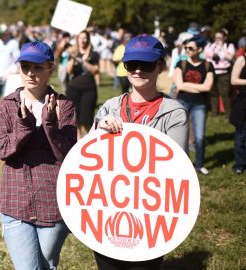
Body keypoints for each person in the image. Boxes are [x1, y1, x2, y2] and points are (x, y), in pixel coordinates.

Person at [94, 35, 188, 269]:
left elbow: (175, 166)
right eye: (131, 64)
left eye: (145, 65)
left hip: (149, 219)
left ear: (160, 67)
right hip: (107, 215)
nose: (137, 70)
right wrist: (99, 128)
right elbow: (88, 162)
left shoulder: (174, 113)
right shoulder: (109, 107)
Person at [0, 40, 76, 270]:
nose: (30, 73)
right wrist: (25, 126)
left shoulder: (64, 106)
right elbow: (2, 150)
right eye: (25, 66)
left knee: (47, 265)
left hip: (53, 201)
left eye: (38, 67)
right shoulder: (7, 105)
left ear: (50, 68)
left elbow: (68, 154)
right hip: (14, 202)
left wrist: (50, 123)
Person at [174, 35, 214, 175]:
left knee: (200, 137)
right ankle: (182, 165)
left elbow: (208, 87)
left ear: (200, 49)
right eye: (186, 48)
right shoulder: (181, 64)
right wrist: (198, 87)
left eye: (191, 48)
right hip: (182, 101)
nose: (187, 50)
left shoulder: (208, 65)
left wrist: (186, 85)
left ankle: (199, 164)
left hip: (200, 104)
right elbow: (179, 85)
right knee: (181, 135)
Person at [66, 30, 100, 137]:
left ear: (88, 40)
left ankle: (90, 141)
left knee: (87, 120)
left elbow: (95, 70)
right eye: (80, 38)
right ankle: (78, 144)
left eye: (85, 38)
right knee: (74, 119)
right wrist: (73, 58)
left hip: (89, 89)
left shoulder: (93, 54)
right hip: (73, 88)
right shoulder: (73, 53)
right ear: (77, 39)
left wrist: (85, 61)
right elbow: (69, 71)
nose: (82, 40)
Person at [204, 30, 235, 116]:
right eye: (216, 37)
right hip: (212, 72)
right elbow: (205, 55)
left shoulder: (229, 46)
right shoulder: (210, 45)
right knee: (213, 93)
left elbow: (229, 57)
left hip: (224, 72)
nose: (217, 40)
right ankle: (214, 113)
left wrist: (222, 48)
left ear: (224, 38)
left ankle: (228, 114)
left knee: (225, 93)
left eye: (219, 38)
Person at [230, 49, 246, 175]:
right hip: (243, 103)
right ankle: (240, 164)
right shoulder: (242, 59)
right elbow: (234, 80)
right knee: (241, 136)